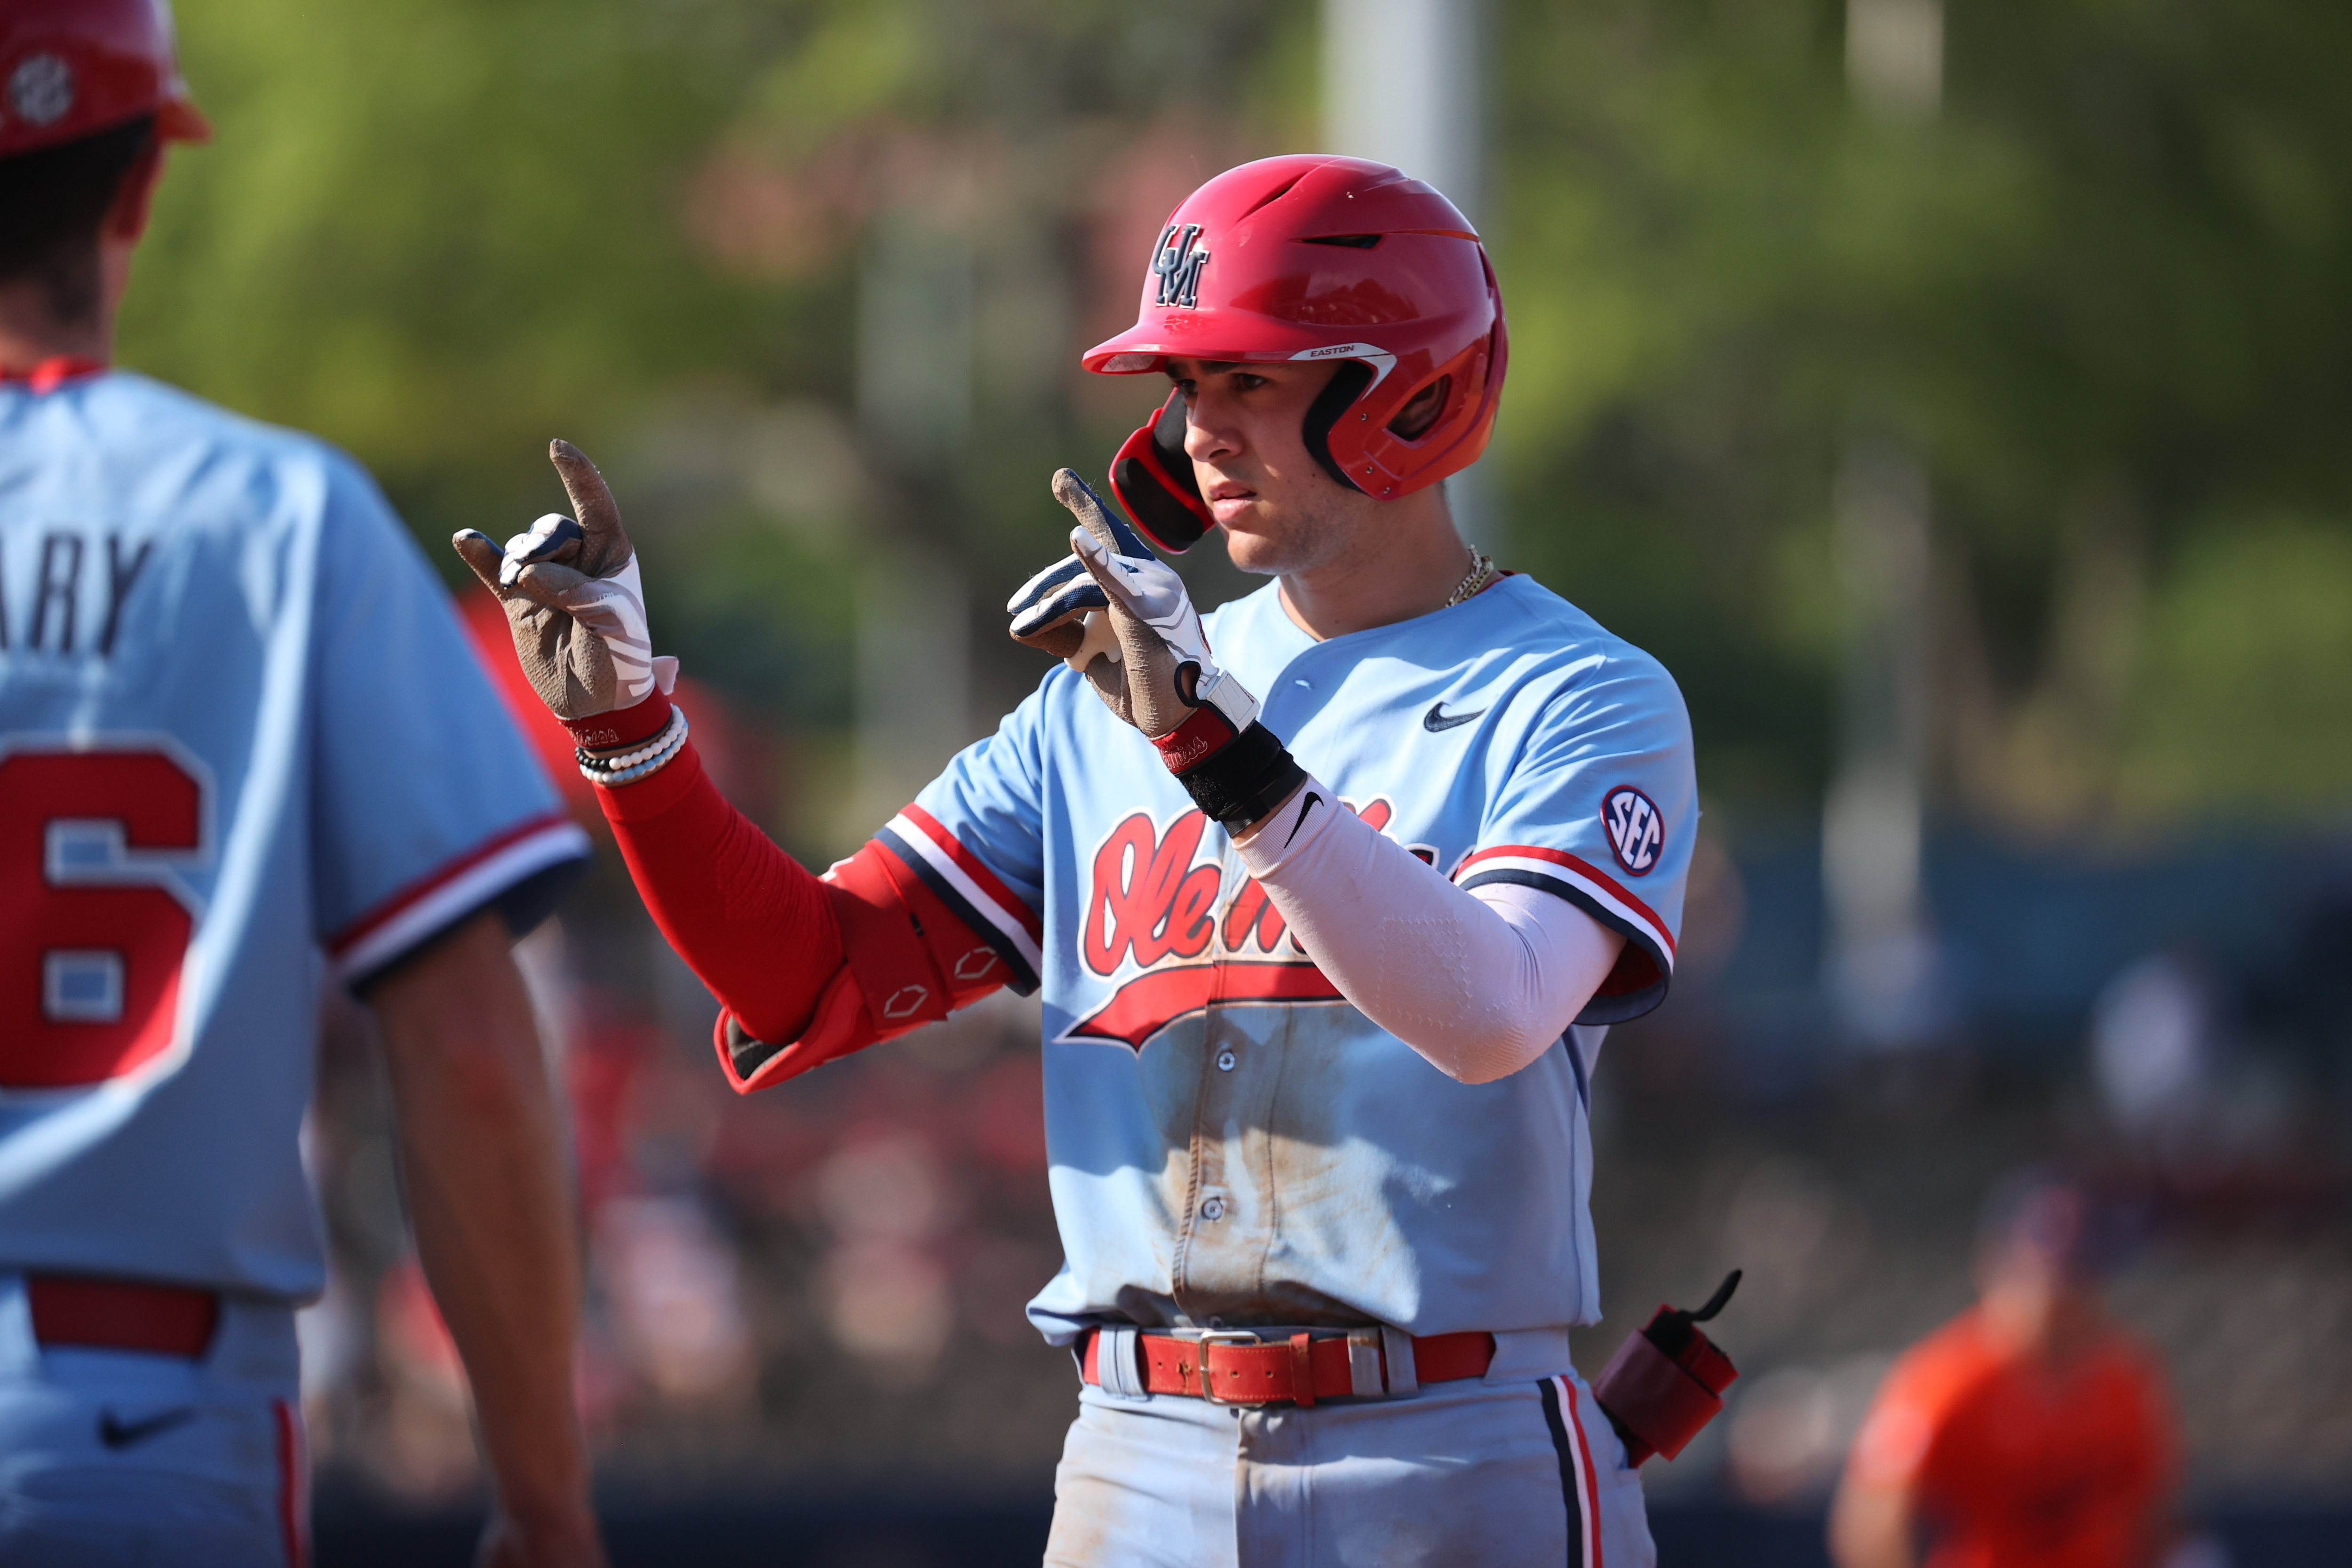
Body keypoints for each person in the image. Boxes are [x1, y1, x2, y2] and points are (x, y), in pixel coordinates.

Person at [463, 154, 1695, 1567]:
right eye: (1183, 387)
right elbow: (806, 970)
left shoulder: (1576, 690)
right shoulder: (1109, 689)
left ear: (1408, 389)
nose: (1200, 431)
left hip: (1444, 1444)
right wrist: (631, 736)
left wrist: (1216, 751)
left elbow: (1491, 1013)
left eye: (1252, 381)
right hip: (1137, 1451)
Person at [0, 3, 605, 1562]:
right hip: (132, 1418)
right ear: (138, 179)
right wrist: (541, 1497)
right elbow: (470, 1053)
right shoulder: (276, 515)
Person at [1829, 1179, 2181, 1568]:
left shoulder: (2123, 1375)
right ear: (1998, 1268)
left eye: (2082, 1280)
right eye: (2053, 1283)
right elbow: (1873, 1523)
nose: (2069, 1300)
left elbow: (2153, 1507)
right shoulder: (1941, 1379)